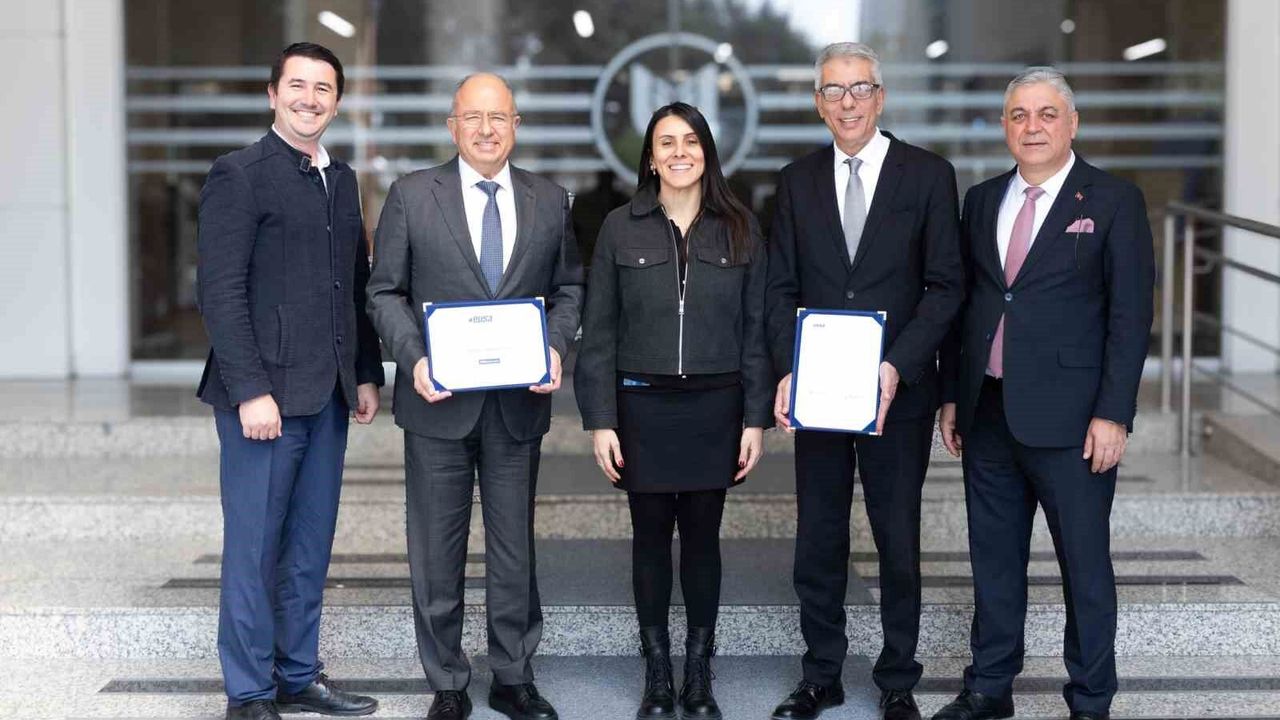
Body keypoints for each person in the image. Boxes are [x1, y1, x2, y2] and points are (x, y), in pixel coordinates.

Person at [933, 67, 1154, 720]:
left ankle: (1090, 699)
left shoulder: (1113, 200)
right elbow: (970, 304)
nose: (1032, 127)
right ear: (1005, 126)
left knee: (1084, 566)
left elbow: (1130, 316)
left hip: (1074, 420)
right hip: (987, 411)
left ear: (1072, 123)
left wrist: (1114, 413)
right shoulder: (981, 200)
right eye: (1019, 115)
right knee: (993, 561)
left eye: (1047, 113)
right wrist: (952, 394)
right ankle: (988, 688)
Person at [365, 73, 583, 720]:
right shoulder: (411, 195)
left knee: (515, 550)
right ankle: (448, 682)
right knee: (436, 551)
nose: (486, 130)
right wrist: (414, 358)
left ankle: (513, 676)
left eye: (498, 117)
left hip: (517, 403)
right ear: (452, 126)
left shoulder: (551, 200)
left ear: (516, 124)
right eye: (472, 117)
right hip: (436, 402)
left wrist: (555, 346)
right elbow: (384, 292)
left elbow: (570, 290)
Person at [765, 42, 964, 720]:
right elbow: (780, 286)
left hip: (896, 393)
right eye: (833, 90)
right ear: (817, 103)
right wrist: (788, 369)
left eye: (859, 89)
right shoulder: (794, 181)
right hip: (820, 393)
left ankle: (898, 678)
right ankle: (821, 674)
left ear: (880, 97)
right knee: (818, 537)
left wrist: (897, 363)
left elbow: (945, 286)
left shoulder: (929, 175)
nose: (846, 102)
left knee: (897, 538)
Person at [196, 42, 384, 720]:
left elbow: (355, 284)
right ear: (273, 94)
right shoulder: (239, 174)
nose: (310, 98)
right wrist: (251, 390)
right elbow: (220, 292)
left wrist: (366, 373)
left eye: (323, 88)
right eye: (297, 85)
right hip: (263, 397)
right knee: (254, 549)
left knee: (309, 547)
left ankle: (297, 675)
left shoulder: (342, 179)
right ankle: (249, 692)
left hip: (328, 394)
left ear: (338, 101)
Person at [575, 102, 771, 720]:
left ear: (707, 152)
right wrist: (600, 419)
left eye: (690, 141)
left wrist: (755, 418)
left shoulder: (740, 226)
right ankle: (657, 674)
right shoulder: (619, 226)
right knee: (651, 538)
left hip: (717, 406)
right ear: (651, 157)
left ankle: (699, 673)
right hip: (642, 405)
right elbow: (599, 331)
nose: (679, 152)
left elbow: (756, 331)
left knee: (705, 539)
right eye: (666, 142)